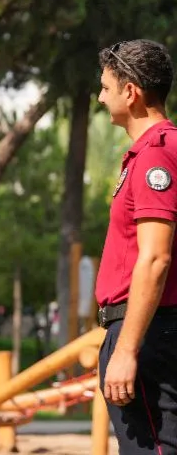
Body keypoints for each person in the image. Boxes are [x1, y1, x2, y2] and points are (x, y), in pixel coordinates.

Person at [96, 39, 177, 454]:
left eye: (105, 87)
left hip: (148, 333)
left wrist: (126, 348)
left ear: (131, 92)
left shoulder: (155, 156)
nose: (100, 97)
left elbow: (156, 257)